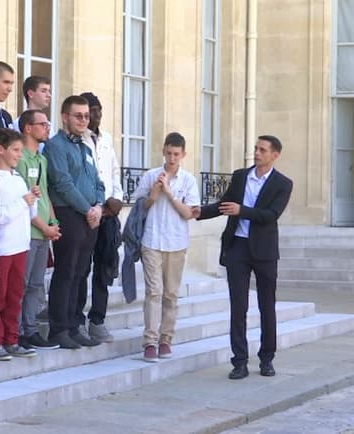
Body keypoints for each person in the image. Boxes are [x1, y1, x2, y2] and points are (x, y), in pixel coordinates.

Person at [194, 135, 293, 380]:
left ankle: (267, 359)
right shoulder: (240, 176)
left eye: (262, 150)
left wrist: (243, 211)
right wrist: (199, 212)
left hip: (265, 251)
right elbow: (225, 205)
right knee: (238, 307)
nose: (257, 153)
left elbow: (271, 215)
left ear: (274, 155)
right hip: (237, 247)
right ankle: (239, 361)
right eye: (256, 148)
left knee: (266, 306)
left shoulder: (283, 183)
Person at [131, 132, 200, 362]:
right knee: (154, 291)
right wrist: (154, 193)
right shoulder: (151, 175)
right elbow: (140, 206)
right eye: (169, 153)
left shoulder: (188, 180)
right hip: (151, 240)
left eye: (176, 154)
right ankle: (149, 341)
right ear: (163, 151)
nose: (172, 158)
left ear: (183, 155)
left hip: (176, 242)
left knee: (171, 294)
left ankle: (166, 339)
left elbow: (189, 213)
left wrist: (169, 193)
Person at [43, 95, 105, 349]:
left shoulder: (86, 147)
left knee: (82, 272)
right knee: (66, 271)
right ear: (65, 117)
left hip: (90, 216)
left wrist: (99, 205)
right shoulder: (56, 146)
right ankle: (58, 329)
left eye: (86, 116)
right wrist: (88, 208)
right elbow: (62, 182)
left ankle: (74, 324)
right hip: (68, 213)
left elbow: (97, 181)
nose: (83, 120)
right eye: (77, 116)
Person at [0, 128, 37, 360]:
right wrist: (23, 202)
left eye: (20, 151)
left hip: (20, 246)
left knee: (16, 295)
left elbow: (28, 211)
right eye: (15, 150)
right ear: (0, 150)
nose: (19, 155)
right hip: (2, 248)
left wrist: (32, 198)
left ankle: (11, 339)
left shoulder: (18, 179)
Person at [15, 110, 61, 351]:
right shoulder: (19, 159)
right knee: (22, 283)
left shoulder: (41, 160)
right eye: (42, 124)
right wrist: (43, 226)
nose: (47, 128)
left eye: (47, 123)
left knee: (36, 284)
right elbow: (24, 199)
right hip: (29, 231)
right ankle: (18, 331)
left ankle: (31, 329)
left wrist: (53, 223)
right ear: (28, 128)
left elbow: (44, 194)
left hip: (44, 231)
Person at [81, 91, 124, 344]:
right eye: (90, 111)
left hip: (108, 213)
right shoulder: (78, 140)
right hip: (87, 213)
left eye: (97, 110)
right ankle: (75, 318)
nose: (95, 115)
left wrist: (116, 199)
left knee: (104, 269)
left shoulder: (106, 138)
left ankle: (97, 320)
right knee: (81, 268)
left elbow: (115, 171)